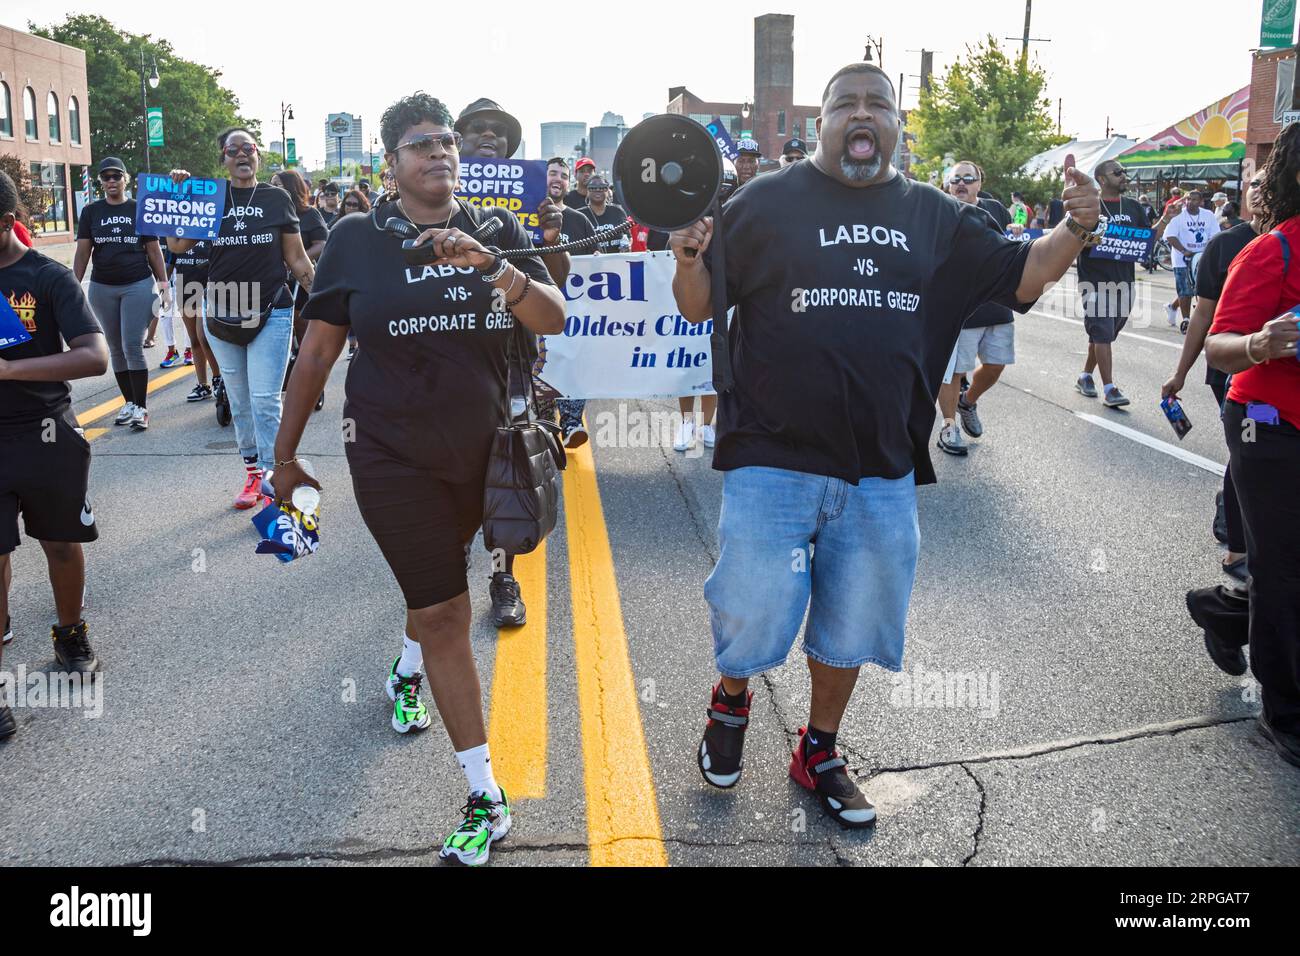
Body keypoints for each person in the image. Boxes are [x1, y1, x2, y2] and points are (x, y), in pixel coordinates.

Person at [669, 62, 1102, 825]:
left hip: (881, 464)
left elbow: (1025, 276)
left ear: (898, 126)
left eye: (879, 104)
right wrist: (688, 259)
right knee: (753, 606)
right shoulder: (764, 201)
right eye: (846, 104)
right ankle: (732, 702)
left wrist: (1077, 225)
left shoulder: (936, 214)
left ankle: (820, 748)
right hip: (772, 454)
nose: (862, 114)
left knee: (855, 618)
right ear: (822, 124)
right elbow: (700, 299)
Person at [274, 92, 565, 862]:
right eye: (419, 143)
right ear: (391, 163)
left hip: (486, 453)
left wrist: (498, 269)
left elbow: (554, 316)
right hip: (388, 454)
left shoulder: (495, 226)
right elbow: (315, 353)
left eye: (446, 141)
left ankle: (406, 672)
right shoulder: (353, 242)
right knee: (443, 609)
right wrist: (284, 453)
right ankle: (485, 797)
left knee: (434, 589)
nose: (438, 151)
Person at [0, 169, 111, 739]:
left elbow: (94, 357)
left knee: (61, 544)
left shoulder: (47, 279)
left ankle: (70, 632)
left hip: (44, 431)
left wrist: (11, 369)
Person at [1204, 122, 1300, 768]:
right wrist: (1261, 345)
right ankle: (1284, 713)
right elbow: (1219, 342)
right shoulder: (1273, 253)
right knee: (1285, 566)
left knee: (1284, 567)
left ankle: (1225, 612)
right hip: (1265, 423)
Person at [165, 128, 315, 509]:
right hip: (222, 311)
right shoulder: (210, 197)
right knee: (241, 402)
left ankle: (273, 479)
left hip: (272, 309)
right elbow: (177, 245)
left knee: (266, 401)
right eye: (233, 150)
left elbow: (296, 259)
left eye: (248, 148)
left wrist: (328, 300)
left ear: (258, 156)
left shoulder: (276, 198)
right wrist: (178, 197)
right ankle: (252, 474)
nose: (242, 155)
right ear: (223, 158)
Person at [1162, 175, 1261, 583]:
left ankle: (1232, 500)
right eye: (1255, 187)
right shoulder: (1225, 245)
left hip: (1283, 375)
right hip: (1233, 376)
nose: (1261, 192)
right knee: (1250, 450)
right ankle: (1237, 548)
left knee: (1255, 453)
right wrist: (1180, 372)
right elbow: (1203, 314)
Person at [72, 157, 169, 432]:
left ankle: (141, 408)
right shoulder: (91, 212)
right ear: (100, 182)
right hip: (103, 287)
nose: (111, 181)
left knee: (132, 346)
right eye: (106, 177)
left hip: (136, 284)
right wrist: (72, 287)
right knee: (115, 347)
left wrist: (163, 284)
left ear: (125, 179)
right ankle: (129, 402)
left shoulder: (140, 208)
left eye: (116, 176)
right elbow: (83, 253)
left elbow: (154, 250)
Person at [935, 162, 1018, 455]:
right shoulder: (939, 209)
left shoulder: (996, 209)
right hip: (958, 305)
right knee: (953, 371)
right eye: (955, 178)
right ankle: (948, 426)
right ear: (947, 184)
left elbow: (1011, 248)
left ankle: (967, 401)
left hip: (996, 303)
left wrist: (1016, 235)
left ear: (979, 183)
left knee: (996, 365)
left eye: (968, 178)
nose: (961, 183)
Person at [1073, 159, 1165, 408]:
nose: (1123, 176)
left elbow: (1147, 240)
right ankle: (1110, 389)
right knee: (1102, 332)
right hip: (1094, 281)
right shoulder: (1090, 207)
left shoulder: (1134, 207)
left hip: (1125, 281)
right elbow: (1072, 235)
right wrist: (1090, 240)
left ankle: (1084, 377)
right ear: (1102, 179)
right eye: (1117, 173)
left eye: (1124, 172)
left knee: (1105, 334)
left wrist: (1166, 219)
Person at [543, 156, 596, 446]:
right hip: (537, 305)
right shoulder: (528, 214)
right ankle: (547, 423)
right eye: (552, 173)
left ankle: (572, 422)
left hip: (574, 309)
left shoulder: (579, 220)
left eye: (563, 175)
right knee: (543, 365)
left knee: (574, 362)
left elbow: (597, 262)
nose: (558, 179)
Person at [168, 239, 222, 403]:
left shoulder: (208, 226)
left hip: (208, 287)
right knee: (194, 340)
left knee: (204, 337)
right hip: (184, 286)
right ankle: (202, 384)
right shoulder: (179, 232)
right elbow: (169, 261)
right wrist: (162, 285)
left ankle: (218, 378)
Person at [1164, 189, 1220, 330]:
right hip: (1182, 258)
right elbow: (1170, 236)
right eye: (1188, 199)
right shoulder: (1178, 216)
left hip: (1201, 257)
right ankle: (1187, 320)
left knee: (1197, 288)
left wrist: (1207, 251)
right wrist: (1184, 250)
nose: (1190, 202)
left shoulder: (1209, 215)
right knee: (1184, 289)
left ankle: (1172, 307)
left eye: (1194, 199)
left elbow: (1214, 236)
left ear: (1201, 202)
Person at [579, 176, 629, 253]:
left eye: (602, 187)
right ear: (587, 192)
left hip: (617, 262)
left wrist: (626, 247)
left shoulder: (618, 211)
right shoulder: (580, 215)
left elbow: (628, 237)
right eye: (593, 188)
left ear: (608, 191)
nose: (598, 190)